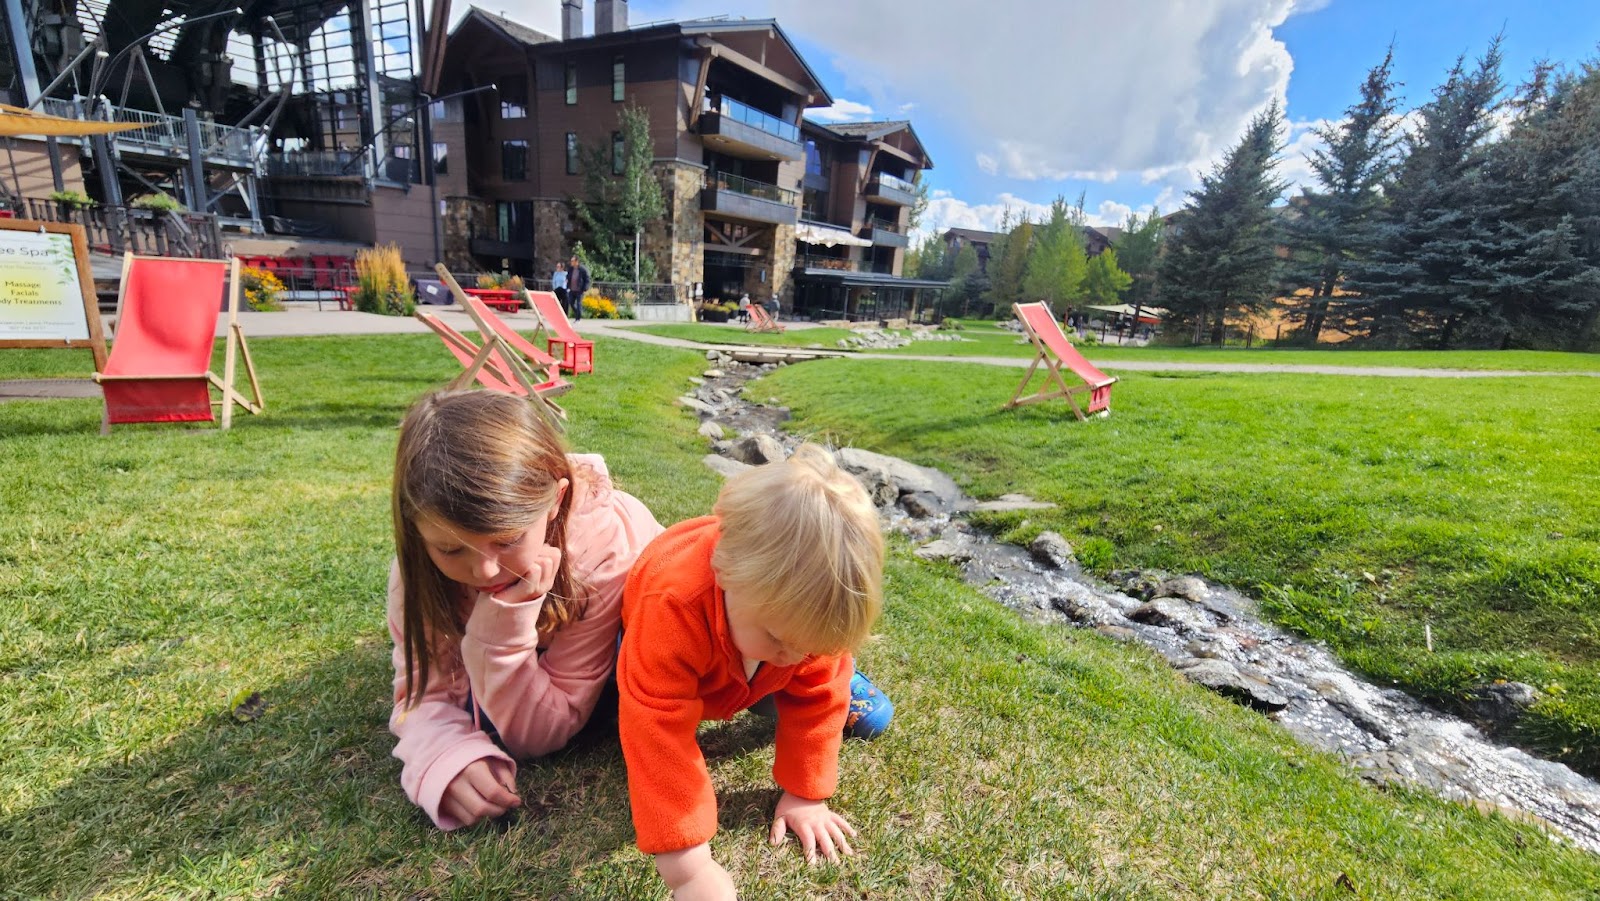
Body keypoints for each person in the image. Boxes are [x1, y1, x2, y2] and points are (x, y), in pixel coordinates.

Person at [618, 445, 893, 900]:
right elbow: (657, 731)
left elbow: (819, 698)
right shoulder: (672, 607)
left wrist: (806, 793)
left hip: (749, 671)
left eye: (815, 644)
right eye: (782, 638)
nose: (795, 655)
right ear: (726, 574)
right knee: (622, 712)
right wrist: (690, 871)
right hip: (674, 655)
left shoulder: (792, 640)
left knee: (862, 709)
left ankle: (838, 668)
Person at [387, 389, 664, 831]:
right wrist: (441, 752)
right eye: (450, 548)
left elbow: (545, 733)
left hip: (627, 625)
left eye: (508, 538)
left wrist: (498, 634)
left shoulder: (606, 559)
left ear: (555, 501)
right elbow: (422, 693)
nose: (484, 569)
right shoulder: (416, 571)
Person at [567, 253, 591, 321]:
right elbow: (568, 276)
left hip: (579, 290)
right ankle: (578, 313)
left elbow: (587, 279)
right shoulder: (571, 269)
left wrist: (585, 288)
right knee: (571, 302)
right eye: (571, 261)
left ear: (576, 262)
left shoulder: (582, 269)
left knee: (578, 303)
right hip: (572, 289)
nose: (571, 262)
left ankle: (578, 318)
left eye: (572, 261)